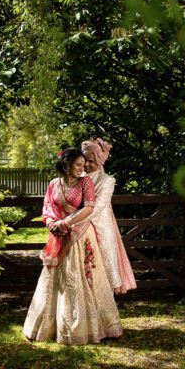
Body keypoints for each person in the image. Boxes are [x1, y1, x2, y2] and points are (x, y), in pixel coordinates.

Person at [23, 147, 123, 344]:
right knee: (55, 279)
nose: (82, 168)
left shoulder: (85, 182)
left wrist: (66, 223)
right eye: (78, 165)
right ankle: (50, 328)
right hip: (58, 236)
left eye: (84, 165)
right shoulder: (54, 184)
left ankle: (90, 327)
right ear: (67, 165)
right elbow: (47, 208)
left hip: (80, 235)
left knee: (80, 277)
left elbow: (89, 206)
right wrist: (52, 223)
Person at [81, 138, 137, 294]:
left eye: (90, 161)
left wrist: (71, 221)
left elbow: (97, 208)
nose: (86, 164)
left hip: (101, 228)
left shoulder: (107, 181)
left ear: (100, 160)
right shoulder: (77, 178)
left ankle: (105, 309)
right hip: (80, 230)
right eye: (84, 159)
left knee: (103, 267)